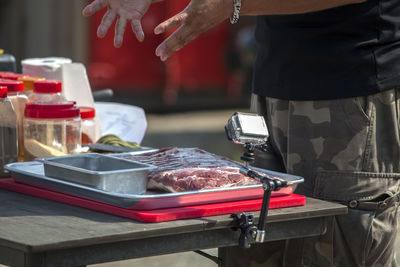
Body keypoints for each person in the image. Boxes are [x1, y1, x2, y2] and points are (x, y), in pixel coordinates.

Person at [82, 0, 400, 266]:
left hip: (351, 94)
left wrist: (232, 4)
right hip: (273, 85)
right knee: (250, 245)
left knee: (337, 248)